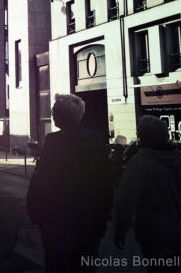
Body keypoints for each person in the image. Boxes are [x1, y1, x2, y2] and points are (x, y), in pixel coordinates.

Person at [26, 93, 113, 272]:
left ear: (63, 115)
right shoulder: (95, 139)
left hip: (56, 220)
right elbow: (105, 181)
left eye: (54, 111)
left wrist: (36, 212)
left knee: (56, 265)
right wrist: (103, 217)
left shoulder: (53, 140)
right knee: (84, 266)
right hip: (88, 219)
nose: (52, 114)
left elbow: (42, 179)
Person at [115, 115, 181, 272]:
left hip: (154, 233)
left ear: (143, 138)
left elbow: (125, 200)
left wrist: (120, 228)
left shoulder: (140, 162)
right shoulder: (179, 158)